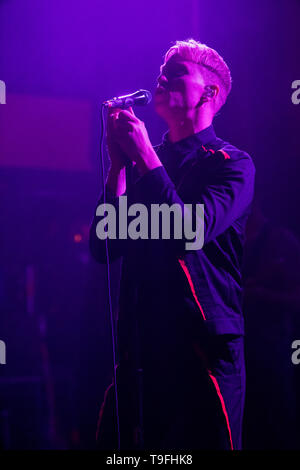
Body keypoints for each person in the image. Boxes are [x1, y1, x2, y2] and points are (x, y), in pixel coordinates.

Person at [89, 39, 256, 450]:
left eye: (177, 72)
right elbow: (102, 247)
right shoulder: (143, 160)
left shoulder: (231, 164)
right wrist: (117, 169)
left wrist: (144, 155)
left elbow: (187, 231)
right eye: (162, 71)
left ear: (209, 92)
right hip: (142, 355)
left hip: (203, 355)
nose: (162, 78)